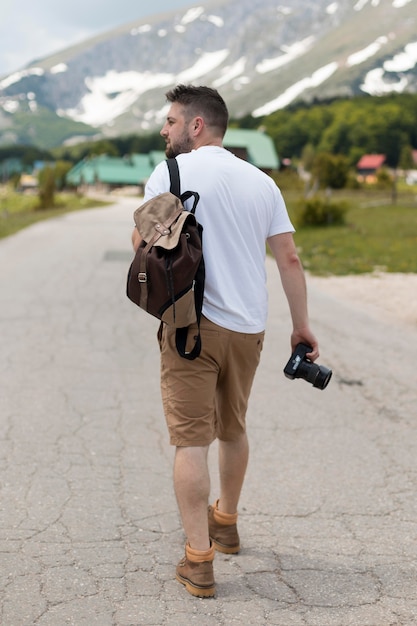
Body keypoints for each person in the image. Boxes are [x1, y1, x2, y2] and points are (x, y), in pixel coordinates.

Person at [131, 84, 319, 598]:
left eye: (171, 121)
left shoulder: (171, 173)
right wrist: (300, 326)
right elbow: (289, 259)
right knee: (233, 428)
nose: (164, 130)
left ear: (196, 125)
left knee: (191, 439)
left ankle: (198, 561)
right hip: (249, 328)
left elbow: (142, 246)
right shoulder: (262, 182)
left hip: (191, 325)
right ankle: (227, 524)